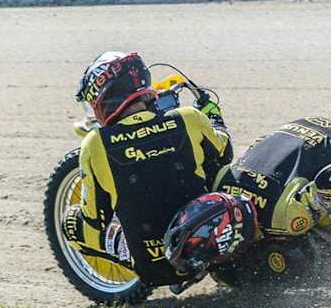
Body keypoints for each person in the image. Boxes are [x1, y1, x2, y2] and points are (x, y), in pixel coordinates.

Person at [164, 117, 331, 278]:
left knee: (315, 231)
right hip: (294, 129)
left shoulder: (285, 217)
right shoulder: (219, 182)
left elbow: (329, 183)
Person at [62, 51, 232, 287]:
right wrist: (213, 116)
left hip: (154, 268)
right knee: (218, 170)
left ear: (104, 95)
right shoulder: (189, 118)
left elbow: (95, 219)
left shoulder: (95, 144)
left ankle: (121, 267)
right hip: (211, 250)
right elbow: (225, 154)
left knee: (72, 221)